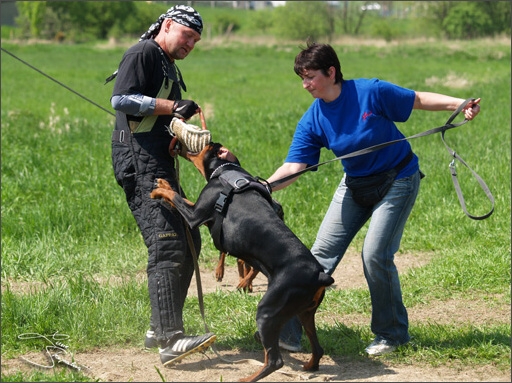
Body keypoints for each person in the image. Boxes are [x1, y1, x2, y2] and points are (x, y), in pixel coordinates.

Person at [266, 41, 480, 356]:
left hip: (398, 179)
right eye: (302, 78)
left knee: (375, 255)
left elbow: (417, 99)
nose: (305, 84)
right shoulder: (314, 118)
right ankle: (288, 332)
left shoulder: (370, 92)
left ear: (331, 71)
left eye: (310, 76)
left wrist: (459, 104)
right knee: (316, 259)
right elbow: (294, 166)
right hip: (355, 185)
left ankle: (392, 335)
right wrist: (261, 186)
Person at [108, 5, 216, 366]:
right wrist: (173, 105)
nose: (191, 44)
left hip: (158, 161)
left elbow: (155, 118)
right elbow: (120, 99)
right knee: (167, 243)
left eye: (196, 41)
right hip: (138, 163)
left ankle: (159, 326)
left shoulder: (168, 62)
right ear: (168, 26)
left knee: (189, 238)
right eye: (187, 35)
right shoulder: (143, 52)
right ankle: (171, 340)